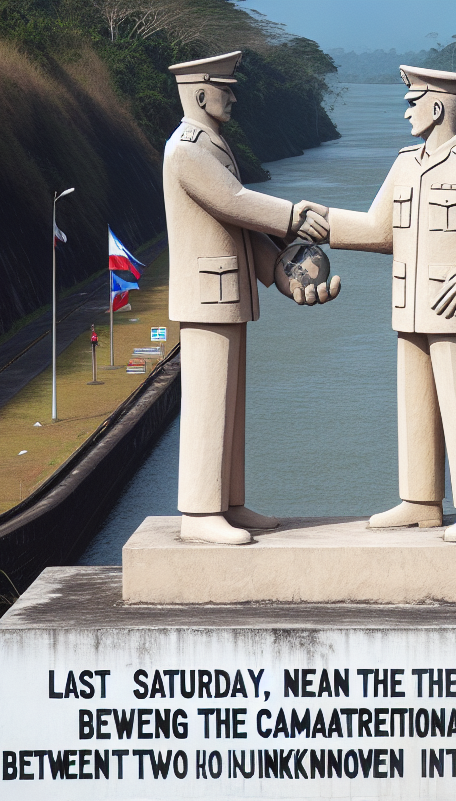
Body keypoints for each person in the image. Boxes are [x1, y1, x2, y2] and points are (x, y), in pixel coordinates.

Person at [301, 66, 456, 542]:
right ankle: (420, 501)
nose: (407, 112)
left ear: (437, 107)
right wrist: (324, 221)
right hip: (410, 306)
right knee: (416, 408)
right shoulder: (405, 164)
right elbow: (378, 228)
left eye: (413, 103)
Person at [163, 51, 334, 545]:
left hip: (225, 293)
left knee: (228, 406)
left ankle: (229, 502)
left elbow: (236, 228)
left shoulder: (213, 145)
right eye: (226, 89)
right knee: (208, 403)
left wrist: (283, 275)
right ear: (200, 94)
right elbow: (234, 202)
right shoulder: (187, 149)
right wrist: (294, 216)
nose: (233, 97)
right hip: (206, 297)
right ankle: (200, 512)